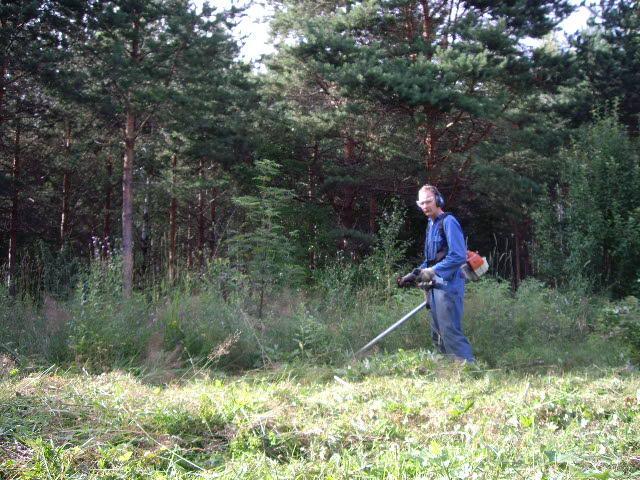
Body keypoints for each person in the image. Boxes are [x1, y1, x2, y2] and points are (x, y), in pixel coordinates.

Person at [398, 185, 474, 362]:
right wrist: (414, 274)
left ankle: (468, 368)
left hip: (449, 285)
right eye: (421, 203)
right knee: (437, 332)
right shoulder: (431, 225)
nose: (425, 206)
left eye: (428, 201)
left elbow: (458, 255)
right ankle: (448, 368)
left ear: (438, 200)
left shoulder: (449, 222)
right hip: (434, 287)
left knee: (450, 331)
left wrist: (432, 271)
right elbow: (430, 260)